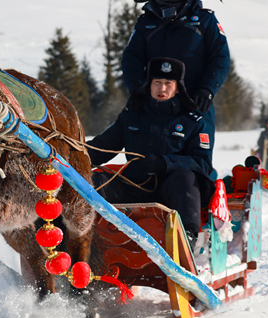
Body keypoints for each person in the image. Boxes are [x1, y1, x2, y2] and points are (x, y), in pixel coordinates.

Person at [87, 57, 215, 245]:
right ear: (149, 85)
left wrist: (164, 163)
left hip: (170, 191)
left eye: (168, 83)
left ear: (178, 87)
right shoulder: (131, 116)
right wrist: (73, 153)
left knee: (186, 177)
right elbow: (101, 147)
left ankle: (187, 238)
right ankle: (83, 235)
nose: (162, 89)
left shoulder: (193, 121)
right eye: (157, 83)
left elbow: (202, 163)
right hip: (132, 186)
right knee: (95, 181)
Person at [121, 0, 230, 159]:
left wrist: (207, 91)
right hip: (154, 103)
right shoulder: (145, 23)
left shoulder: (206, 21)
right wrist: (136, 88)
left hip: (196, 103)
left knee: (195, 165)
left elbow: (220, 58)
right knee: (142, 163)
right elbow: (131, 57)